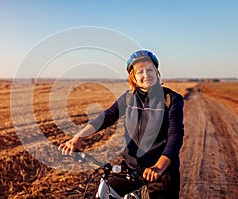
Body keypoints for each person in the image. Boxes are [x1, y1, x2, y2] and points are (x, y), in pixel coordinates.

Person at [58, 50, 184, 199]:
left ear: (157, 73)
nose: (146, 75)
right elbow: (106, 117)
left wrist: (158, 167)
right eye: (140, 72)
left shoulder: (170, 99)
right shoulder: (128, 98)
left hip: (160, 172)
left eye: (150, 70)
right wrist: (79, 137)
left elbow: (175, 136)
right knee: (104, 193)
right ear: (134, 79)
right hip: (131, 169)